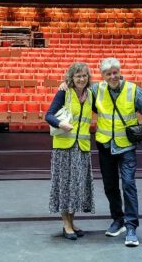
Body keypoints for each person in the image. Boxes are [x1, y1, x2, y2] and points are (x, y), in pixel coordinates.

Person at [61, 57, 142, 247]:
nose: (112, 76)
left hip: (126, 147)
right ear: (102, 76)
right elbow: (79, 92)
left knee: (128, 185)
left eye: (115, 72)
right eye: (108, 74)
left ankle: (131, 227)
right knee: (110, 187)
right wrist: (65, 85)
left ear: (119, 72)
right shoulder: (96, 90)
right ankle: (117, 220)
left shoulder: (133, 90)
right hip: (105, 146)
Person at [45, 62, 95, 241]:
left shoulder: (91, 95)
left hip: (82, 149)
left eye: (84, 76)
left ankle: (72, 223)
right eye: (78, 76)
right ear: (71, 78)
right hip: (64, 148)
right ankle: (66, 224)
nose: (81, 79)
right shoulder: (64, 92)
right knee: (65, 187)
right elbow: (48, 115)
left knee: (76, 188)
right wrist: (60, 124)